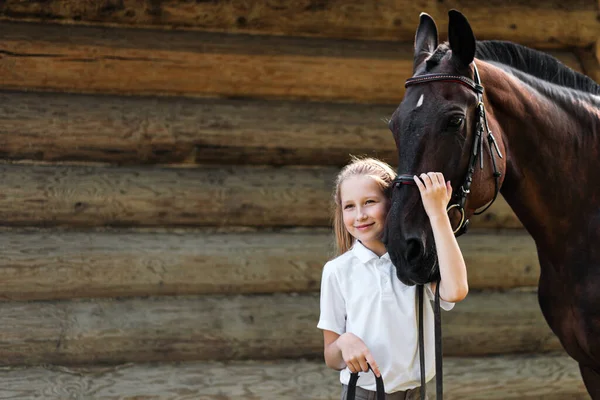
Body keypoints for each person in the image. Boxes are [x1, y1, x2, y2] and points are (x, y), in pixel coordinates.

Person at [317, 157, 469, 399]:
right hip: (363, 393)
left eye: (369, 202)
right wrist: (344, 343)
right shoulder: (337, 271)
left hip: (418, 393)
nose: (359, 215)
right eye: (349, 206)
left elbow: (456, 290)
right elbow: (332, 357)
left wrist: (437, 213)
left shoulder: (417, 261)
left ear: (393, 204)